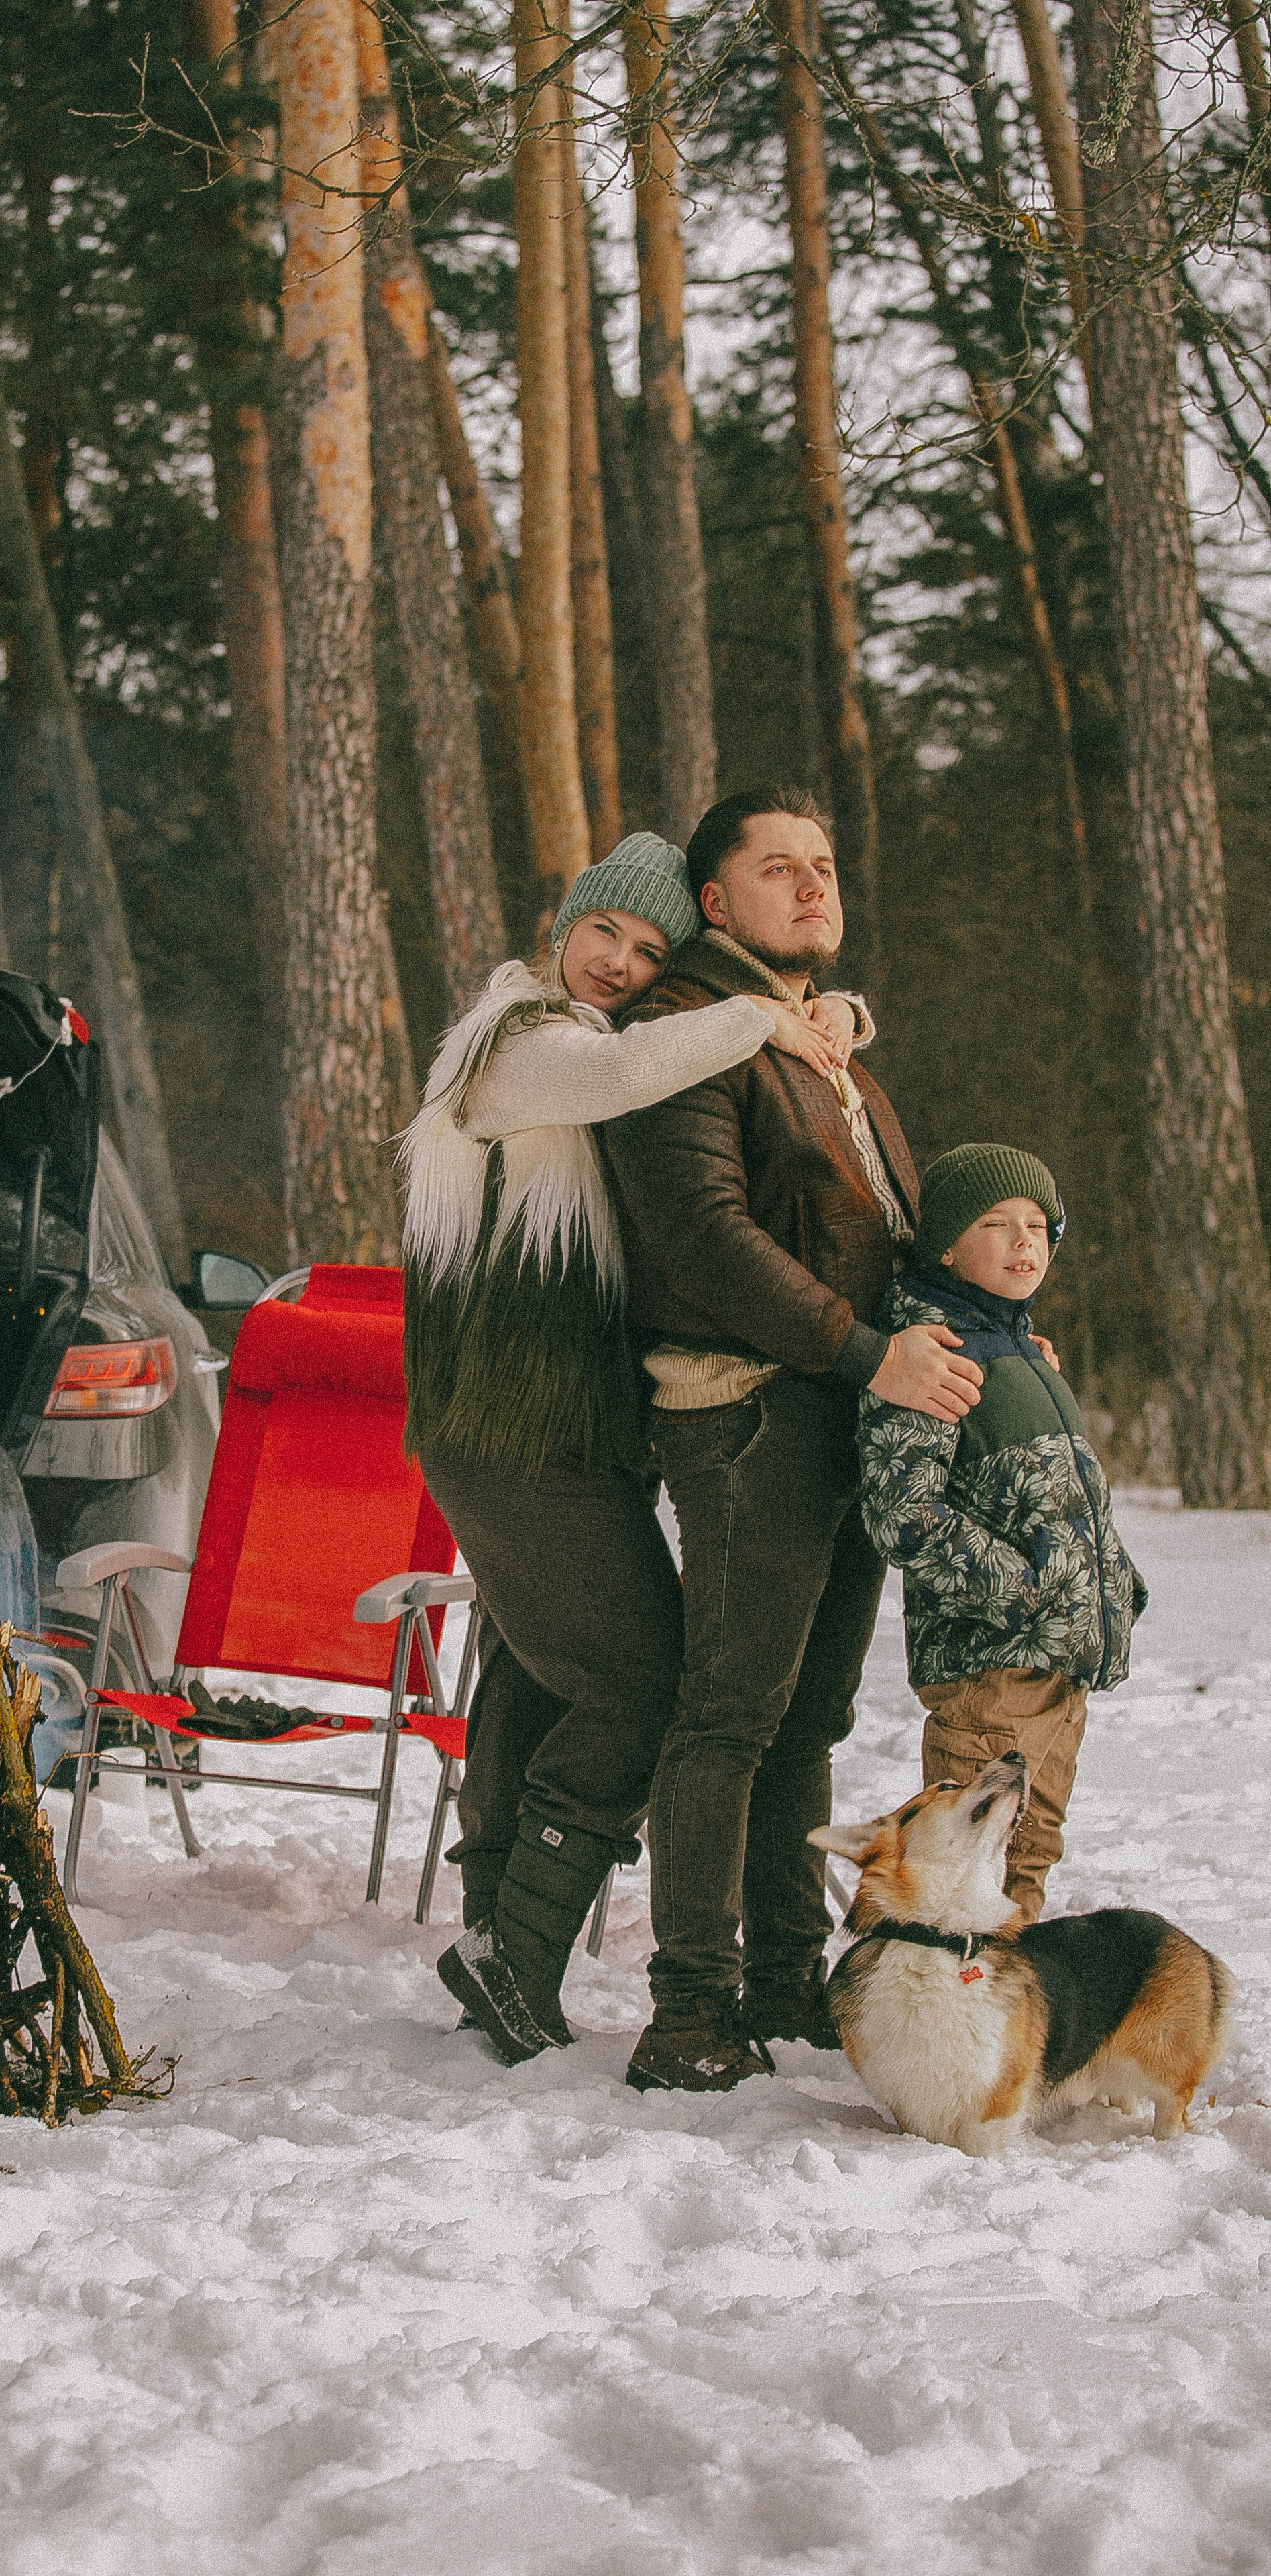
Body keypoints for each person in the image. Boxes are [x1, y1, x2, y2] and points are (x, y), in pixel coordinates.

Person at [402, 830, 863, 2064]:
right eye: (603, 933)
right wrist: (768, 1017)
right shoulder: (514, 1047)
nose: (617, 962)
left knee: (543, 1671)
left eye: (648, 950)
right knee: (640, 1675)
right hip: (509, 1437)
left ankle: (500, 1938)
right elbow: (630, 1072)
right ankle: (513, 1949)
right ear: (559, 932)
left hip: (561, 1435)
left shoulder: (605, 1055)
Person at [602, 784, 985, 2095]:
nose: (812, 885)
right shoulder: (681, 1035)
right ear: (714, 902)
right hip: (750, 1408)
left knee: (805, 1712)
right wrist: (867, 1348)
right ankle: (690, 2010)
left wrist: (979, 1328)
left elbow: (879, 1220)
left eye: (820, 865)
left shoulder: (808, 1035)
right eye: (777, 869)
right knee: (726, 1712)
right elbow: (702, 1237)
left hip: (846, 1413)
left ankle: (782, 1977)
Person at [855, 1145, 1146, 1921]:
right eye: (995, 1223)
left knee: (1029, 1852)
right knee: (962, 1872)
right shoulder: (931, 1350)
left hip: (1056, 1664)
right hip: (992, 1667)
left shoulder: (1020, 1347)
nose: (1024, 1242)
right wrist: (1024, 1591)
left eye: (1036, 1225)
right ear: (945, 1246)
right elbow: (901, 1512)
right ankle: (939, 2015)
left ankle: (1009, 2027)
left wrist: (1114, 1582)